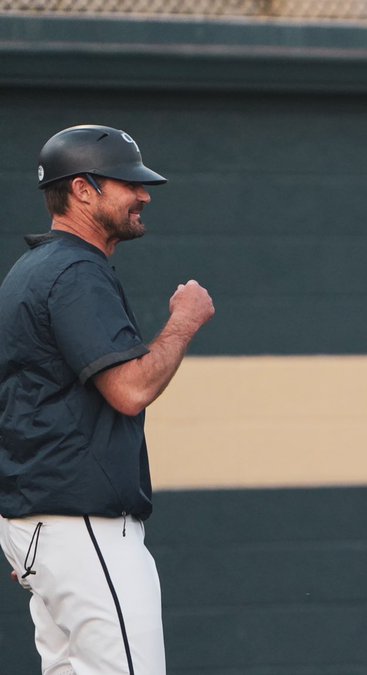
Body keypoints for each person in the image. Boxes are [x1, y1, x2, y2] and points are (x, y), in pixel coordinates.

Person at [0, 124, 215, 674]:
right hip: (84, 525)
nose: (143, 194)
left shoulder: (32, 270)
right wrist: (184, 323)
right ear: (82, 190)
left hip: (50, 524)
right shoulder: (75, 270)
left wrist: (30, 527)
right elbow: (131, 390)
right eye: (127, 183)